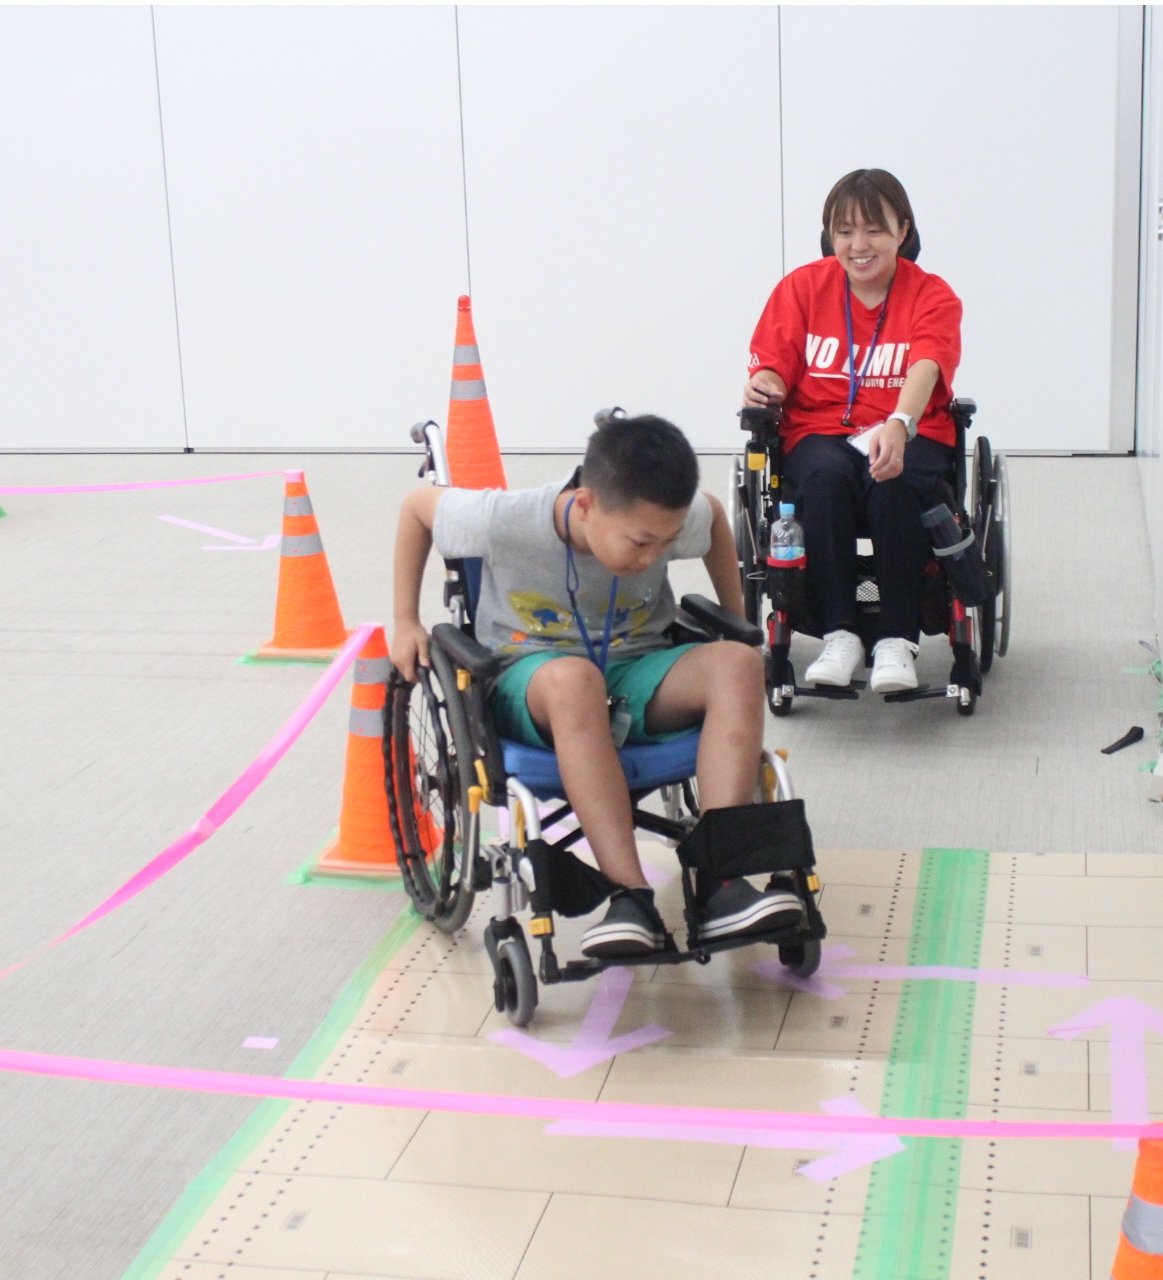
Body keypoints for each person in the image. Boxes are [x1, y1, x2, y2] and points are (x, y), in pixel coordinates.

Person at [386, 412, 801, 958]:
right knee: (575, 680)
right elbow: (417, 508)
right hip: (533, 677)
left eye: (667, 543)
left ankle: (722, 882)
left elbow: (716, 518)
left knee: (739, 664)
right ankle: (630, 896)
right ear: (585, 504)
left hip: (635, 667)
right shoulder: (505, 518)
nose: (654, 557)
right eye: (641, 542)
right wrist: (406, 621)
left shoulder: (658, 515)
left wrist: (736, 619)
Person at [743, 168, 968, 695]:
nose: (858, 246)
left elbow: (927, 365)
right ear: (829, 235)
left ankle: (897, 640)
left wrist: (900, 422)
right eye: (844, 232)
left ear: (903, 230)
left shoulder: (931, 295)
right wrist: (765, 383)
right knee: (823, 477)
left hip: (911, 429)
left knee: (892, 478)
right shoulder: (802, 288)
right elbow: (775, 363)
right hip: (821, 430)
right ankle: (839, 633)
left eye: (873, 230)